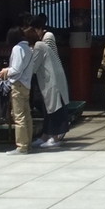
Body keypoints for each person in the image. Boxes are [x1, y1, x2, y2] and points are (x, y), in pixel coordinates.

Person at [30, 15, 70, 145]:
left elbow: (47, 57)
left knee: (53, 106)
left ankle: (55, 135)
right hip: (47, 77)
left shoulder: (46, 39)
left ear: (39, 28)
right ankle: (46, 135)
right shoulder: (40, 42)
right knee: (48, 107)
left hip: (51, 76)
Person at [0, 26, 35, 153]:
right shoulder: (29, 49)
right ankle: (28, 143)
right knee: (27, 115)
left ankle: (21, 146)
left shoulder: (17, 48)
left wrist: (6, 71)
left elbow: (16, 69)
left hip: (18, 84)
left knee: (18, 116)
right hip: (26, 85)